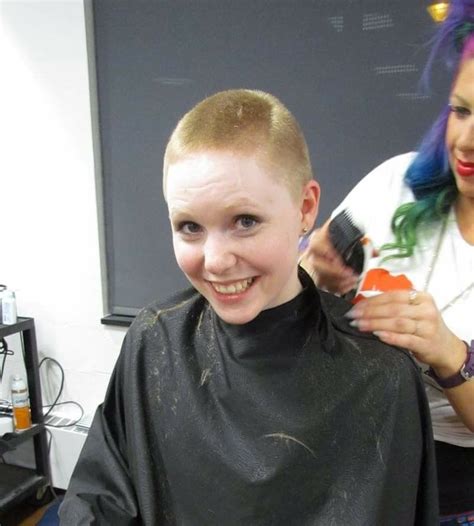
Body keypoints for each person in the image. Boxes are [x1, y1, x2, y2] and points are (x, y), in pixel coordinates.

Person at [59, 89, 438, 525]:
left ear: (305, 208)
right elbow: (100, 497)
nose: (215, 260)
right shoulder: (155, 341)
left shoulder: (380, 376)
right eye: (189, 227)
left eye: (245, 222)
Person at [300, 2, 474, 523]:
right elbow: (310, 268)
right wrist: (312, 274)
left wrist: (449, 354)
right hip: (356, 451)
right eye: (461, 111)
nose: (465, 142)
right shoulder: (396, 183)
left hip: (456, 489)